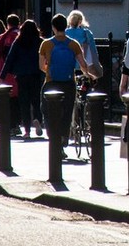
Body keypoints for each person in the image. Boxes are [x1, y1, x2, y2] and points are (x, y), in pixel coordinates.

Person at [42, 13, 101, 159]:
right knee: (67, 112)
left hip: (51, 82)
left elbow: (41, 66)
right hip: (69, 82)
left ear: (53, 27)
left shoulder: (47, 43)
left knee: (47, 111)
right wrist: (89, 75)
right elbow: (84, 64)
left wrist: (50, 72)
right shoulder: (75, 42)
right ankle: (63, 139)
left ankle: (52, 138)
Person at [1, 19, 45, 139]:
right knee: (36, 100)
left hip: (21, 75)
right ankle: (37, 119)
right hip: (36, 74)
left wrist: (2, 76)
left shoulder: (18, 41)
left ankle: (27, 130)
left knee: (24, 102)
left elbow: (9, 58)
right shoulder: (40, 42)